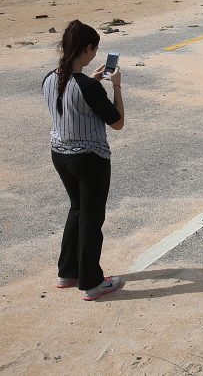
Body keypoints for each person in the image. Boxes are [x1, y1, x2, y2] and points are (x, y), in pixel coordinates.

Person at [42, 20, 125, 301]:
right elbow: (117, 123)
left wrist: (95, 80)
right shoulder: (88, 87)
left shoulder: (50, 78)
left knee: (77, 209)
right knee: (92, 219)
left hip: (60, 154)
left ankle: (67, 271)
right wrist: (116, 87)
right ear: (88, 49)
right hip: (89, 159)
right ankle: (92, 282)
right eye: (94, 49)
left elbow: (73, 97)